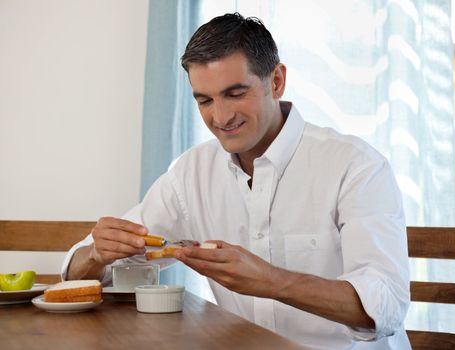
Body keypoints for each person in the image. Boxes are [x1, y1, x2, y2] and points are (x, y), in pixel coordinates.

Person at [62, 13, 411, 349]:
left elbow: (386, 304)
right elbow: (90, 273)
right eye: (204, 100)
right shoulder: (191, 174)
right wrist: (97, 255)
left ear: (276, 81)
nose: (221, 117)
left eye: (235, 93)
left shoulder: (356, 166)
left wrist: (271, 281)